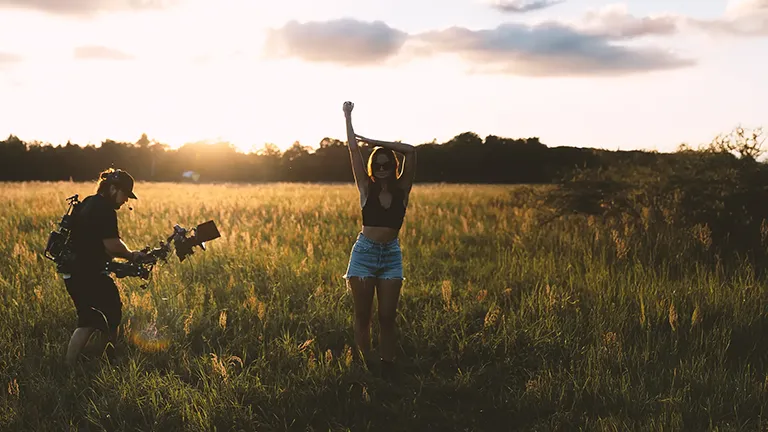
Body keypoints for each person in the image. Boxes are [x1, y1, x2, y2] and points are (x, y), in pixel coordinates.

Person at [341, 101, 417, 376]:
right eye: (378, 163)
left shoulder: (402, 189)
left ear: (393, 166)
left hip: (391, 255)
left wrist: (373, 142)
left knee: (387, 316)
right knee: (364, 316)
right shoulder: (365, 188)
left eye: (387, 163)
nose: (383, 167)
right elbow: (352, 150)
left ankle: (388, 364)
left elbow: (411, 151)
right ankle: (365, 364)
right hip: (364, 254)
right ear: (373, 167)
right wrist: (348, 118)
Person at [63, 168, 146, 366]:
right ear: (113, 188)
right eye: (125, 194)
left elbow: (94, 243)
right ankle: (105, 361)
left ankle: (76, 364)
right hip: (87, 273)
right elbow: (113, 246)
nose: (126, 200)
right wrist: (132, 255)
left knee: (95, 316)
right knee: (98, 318)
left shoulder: (89, 202)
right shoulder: (104, 210)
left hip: (75, 271)